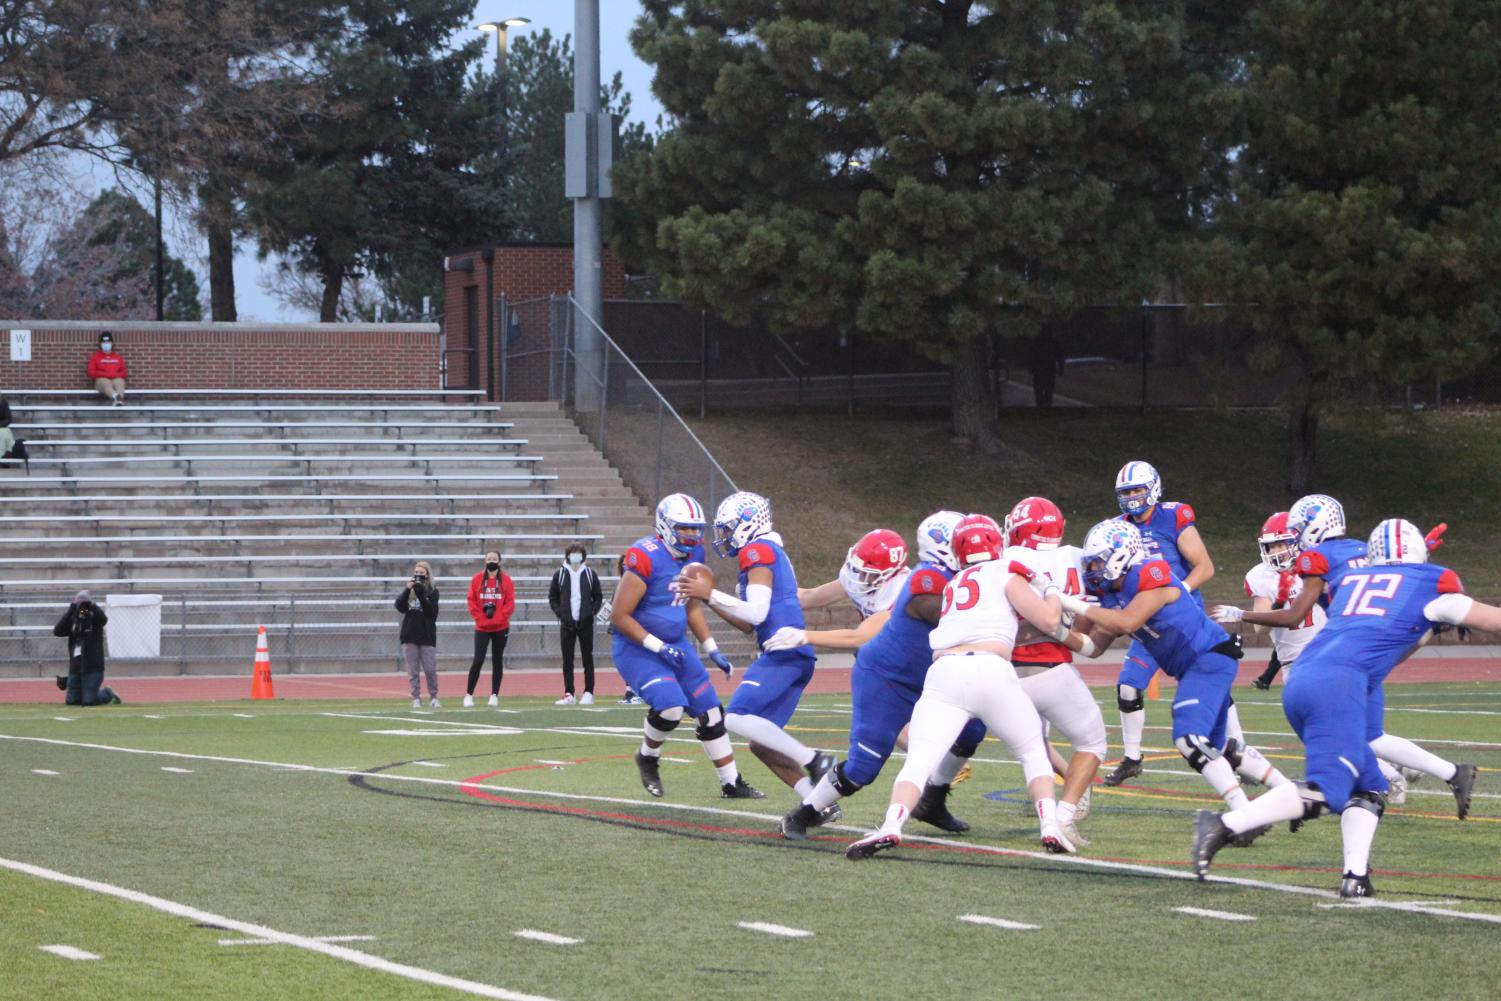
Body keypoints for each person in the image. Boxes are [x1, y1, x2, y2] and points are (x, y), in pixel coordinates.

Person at [1194, 519, 1496, 897]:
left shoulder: (1353, 583)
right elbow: (1491, 620)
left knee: (1369, 788)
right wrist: (1441, 617)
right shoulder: (1432, 585)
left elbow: (1380, 640)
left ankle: (1355, 878)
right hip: (1338, 685)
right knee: (1329, 791)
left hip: (1305, 677)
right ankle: (1224, 824)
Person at [1211, 496, 1474, 815]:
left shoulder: (1322, 562)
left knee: (1339, 741)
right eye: (1274, 545)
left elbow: (1300, 614)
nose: (1280, 550)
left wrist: (1242, 614)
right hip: (1325, 662)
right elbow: (1270, 631)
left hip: (1330, 664)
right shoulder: (1268, 575)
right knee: (1366, 737)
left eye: (1286, 541)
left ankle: (1384, 781)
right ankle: (1426, 774)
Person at [844, 514, 1073, 859]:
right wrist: (1052, 590)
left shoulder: (951, 585)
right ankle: (1051, 827)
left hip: (945, 673)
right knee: (1031, 751)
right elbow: (1049, 620)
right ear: (996, 542)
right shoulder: (1006, 572)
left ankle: (891, 824)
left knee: (919, 761)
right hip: (991, 670)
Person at [773, 514, 984, 839]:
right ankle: (803, 814)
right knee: (863, 769)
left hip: (929, 678)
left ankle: (933, 799)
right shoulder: (925, 580)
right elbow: (954, 613)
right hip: (886, 678)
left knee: (973, 728)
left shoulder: (964, 578)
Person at [1062, 520, 1289, 812]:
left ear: (1120, 555)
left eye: (1097, 562)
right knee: (1219, 748)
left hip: (1209, 656)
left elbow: (1127, 622)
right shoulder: (1112, 595)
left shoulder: (1150, 574)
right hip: (1197, 664)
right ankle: (1289, 794)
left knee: (1188, 738)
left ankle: (1244, 812)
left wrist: (1070, 602)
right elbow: (1092, 648)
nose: (1092, 570)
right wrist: (1056, 627)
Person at [674, 491, 833, 802]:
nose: (725, 537)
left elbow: (757, 614)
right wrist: (709, 596)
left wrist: (710, 594)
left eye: (729, 528)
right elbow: (748, 625)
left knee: (734, 716)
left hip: (783, 652)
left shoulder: (757, 550)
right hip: (794, 656)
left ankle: (816, 760)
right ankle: (817, 801)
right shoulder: (768, 552)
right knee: (762, 743)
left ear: (748, 523)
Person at [610, 492, 763, 799]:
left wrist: (711, 647)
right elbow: (619, 616)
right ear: (666, 526)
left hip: (676, 644)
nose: (693, 534)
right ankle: (648, 757)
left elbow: (691, 606)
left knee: (711, 713)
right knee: (670, 708)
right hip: (638, 647)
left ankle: (731, 783)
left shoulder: (695, 556)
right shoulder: (645, 555)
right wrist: (657, 647)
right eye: (686, 528)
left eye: (696, 528)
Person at [1102, 460, 1216, 787]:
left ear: (1152, 488)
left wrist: (1178, 592)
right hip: (1147, 623)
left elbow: (1204, 567)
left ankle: (1236, 747)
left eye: (1137, 489)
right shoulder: (1118, 528)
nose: (1132, 497)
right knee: (1127, 687)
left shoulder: (1173, 517)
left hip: (1184, 621)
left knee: (1209, 686)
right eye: (1126, 492)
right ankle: (1133, 758)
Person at [549, 543, 603, 705]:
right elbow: (553, 597)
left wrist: (590, 612)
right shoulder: (559, 574)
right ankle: (569, 693)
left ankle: (588, 692)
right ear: (567, 556)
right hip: (567, 624)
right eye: (572, 553)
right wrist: (561, 614)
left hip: (585, 623)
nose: (575, 556)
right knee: (567, 660)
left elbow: (598, 597)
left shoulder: (589, 574)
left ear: (583, 556)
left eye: (578, 553)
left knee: (588, 658)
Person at [52, 591, 122, 706]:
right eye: (79, 604)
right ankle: (82, 691)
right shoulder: (72, 619)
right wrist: (71, 610)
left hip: (93, 668)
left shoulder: (95, 619)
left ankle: (108, 694)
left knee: (89, 701)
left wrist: (92, 606)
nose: (82, 607)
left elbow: (104, 619)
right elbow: (57, 631)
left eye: (84, 604)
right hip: (76, 667)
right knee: (72, 701)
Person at [464, 551, 513, 708]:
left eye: (494, 559)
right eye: (489, 559)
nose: (491, 561)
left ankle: (494, 695)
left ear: (499, 562)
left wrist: (498, 619)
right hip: (482, 627)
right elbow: (471, 601)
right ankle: (469, 695)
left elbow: (509, 603)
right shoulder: (477, 579)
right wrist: (482, 619)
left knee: (497, 660)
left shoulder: (506, 580)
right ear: (485, 561)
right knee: (478, 659)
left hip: (500, 627)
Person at [396, 560, 440, 709]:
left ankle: (434, 697)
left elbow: (431, 614)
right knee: (413, 670)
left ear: (427, 575)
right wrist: (407, 590)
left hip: (427, 635)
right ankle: (416, 698)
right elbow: (400, 607)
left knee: (430, 669)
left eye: (422, 573)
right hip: (410, 634)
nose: (418, 575)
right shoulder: (409, 590)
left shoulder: (433, 591)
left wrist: (422, 595)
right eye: (416, 573)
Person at [87, 331, 129, 405]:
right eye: (104, 342)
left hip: (115, 379)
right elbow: (91, 372)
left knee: (120, 382)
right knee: (105, 383)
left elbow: (125, 373)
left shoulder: (118, 357)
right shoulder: (95, 357)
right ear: (100, 344)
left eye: (108, 341)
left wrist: (113, 375)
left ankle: (119, 400)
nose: (106, 343)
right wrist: (107, 374)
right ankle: (116, 397)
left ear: (112, 343)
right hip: (101, 380)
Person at [1028, 331, 1066, 408]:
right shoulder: (1053, 341)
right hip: (1047, 370)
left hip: (1041, 370)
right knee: (1046, 393)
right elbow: (1060, 356)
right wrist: (1061, 369)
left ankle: (1042, 408)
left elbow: (1031, 356)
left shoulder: (1038, 340)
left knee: (1041, 393)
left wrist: (1031, 368)